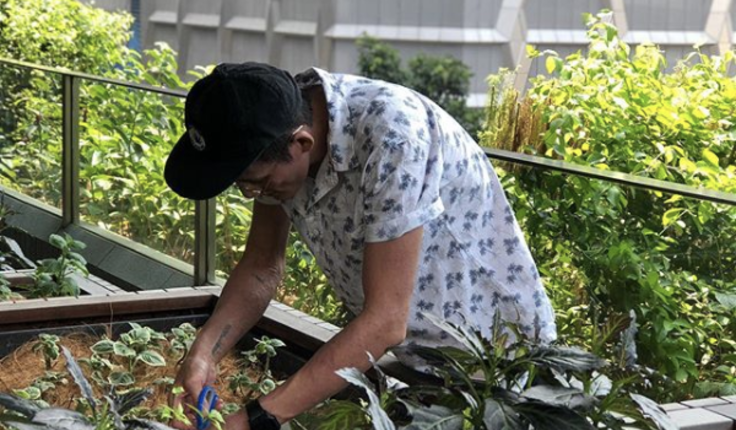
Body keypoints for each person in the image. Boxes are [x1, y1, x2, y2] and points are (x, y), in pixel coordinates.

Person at [164, 62, 556, 430]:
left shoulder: (393, 135)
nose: (252, 194)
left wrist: (258, 418)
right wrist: (203, 354)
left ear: (301, 141)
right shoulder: (271, 125)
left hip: (500, 362)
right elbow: (262, 266)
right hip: (416, 361)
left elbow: (385, 320)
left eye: (258, 183)